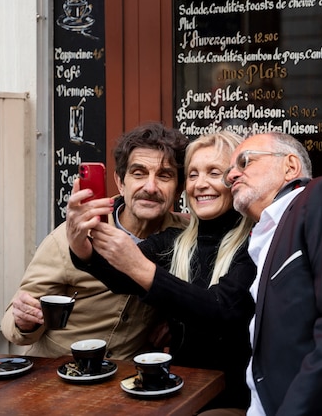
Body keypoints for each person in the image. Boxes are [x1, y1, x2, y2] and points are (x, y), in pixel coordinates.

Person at [201, 131, 322, 416]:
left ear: (290, 167)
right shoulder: (261, 239)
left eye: (244, 162)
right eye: (230, 171)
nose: (231, 176)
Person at [67, 131, 256, 409]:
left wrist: (142, 268)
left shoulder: (255, 242)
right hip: (177, 393)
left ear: (234, 179)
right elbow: (118, 276)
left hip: (230, 399)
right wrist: (79, 242)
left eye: (214, 172)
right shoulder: (176, 240)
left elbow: (220, 310)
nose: (200, 184)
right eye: (192, 174)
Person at [1, 122, 189, 359]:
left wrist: (177, 324)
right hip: (55, 373)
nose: (150, 187)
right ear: (120, 182)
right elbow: (12, 324)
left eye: (164, 175)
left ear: (179, 188)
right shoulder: (70, 237)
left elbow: (206, 299)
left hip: (129, 379)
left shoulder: (188, 237)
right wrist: (25, 321)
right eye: (138, 173)